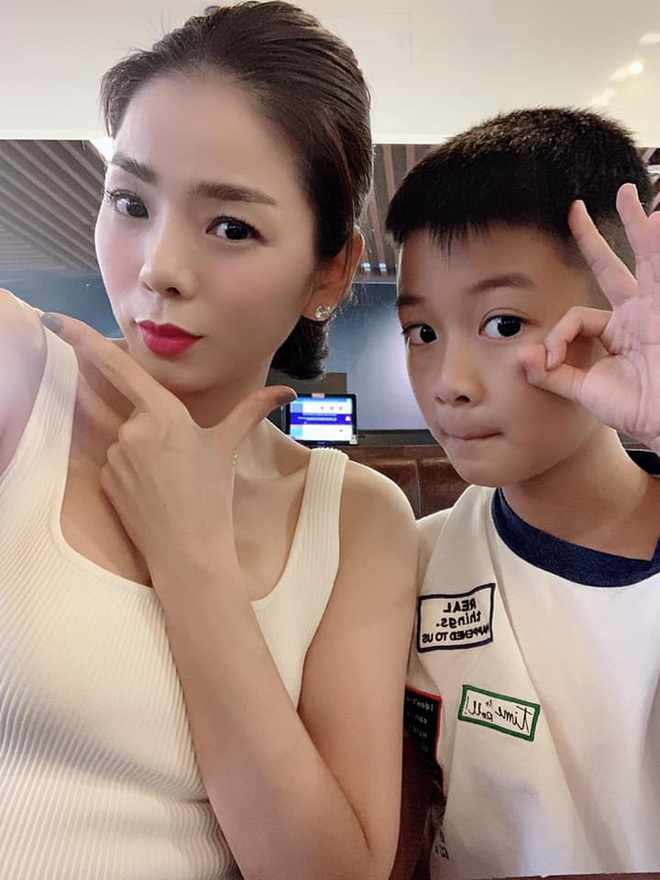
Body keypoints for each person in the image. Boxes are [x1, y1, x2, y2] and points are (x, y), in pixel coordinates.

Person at [0, 4, 418, 879]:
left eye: (232, 227)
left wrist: (191, 554)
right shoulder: (17, 376)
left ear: (331, 270)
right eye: (131, 202)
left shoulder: (355, 519)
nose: (159, 267)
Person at [384, 107, 660, 879]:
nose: (448, 384)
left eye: (503, 324)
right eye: (422, 333)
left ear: (611, 319)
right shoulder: (406, 565)